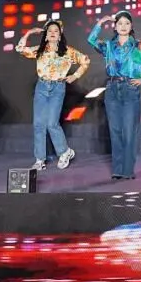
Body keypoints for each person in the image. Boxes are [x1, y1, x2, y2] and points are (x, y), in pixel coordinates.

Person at [87, 10, 141, 180]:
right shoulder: (109, 46)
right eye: (119, 23)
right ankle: (117, 170)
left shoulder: (139, 46)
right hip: (112, 89)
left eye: (127, 23)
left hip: (130, 89)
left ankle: (128, 171)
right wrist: (101, 22)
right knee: (115, 131)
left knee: (129, 131)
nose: (123, 26)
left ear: (131, 26)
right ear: (115, 27)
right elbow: (91, 40)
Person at [17, 20, 90, 170]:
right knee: (38, 124)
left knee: (51, 123)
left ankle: (64, 152)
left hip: (57, 87)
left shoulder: (68, 51)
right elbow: (20, 49)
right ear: (45, 35)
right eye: (49, 31)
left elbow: (85, 61)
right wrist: (29, 32)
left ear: (60, 34)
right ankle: (40, 159)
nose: (52, 33)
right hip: (41, 87)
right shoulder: (40, 50)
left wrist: (75, 76)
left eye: (55, 31)